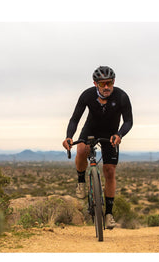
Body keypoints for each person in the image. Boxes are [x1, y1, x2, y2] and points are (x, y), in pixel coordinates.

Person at [62, 66, 133, 229]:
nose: (106, 87)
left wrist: (120, 135)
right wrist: (69, 136)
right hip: (91, 129)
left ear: (113, 82)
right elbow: (75, 119)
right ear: (95, 84)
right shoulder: (87, 95)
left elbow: (128, 121)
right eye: (102, 84)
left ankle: (108, 214)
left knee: (110, 171)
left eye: (109, 83)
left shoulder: (121, 96)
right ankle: (81, 181)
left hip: (111, 134)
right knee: (81, 150)